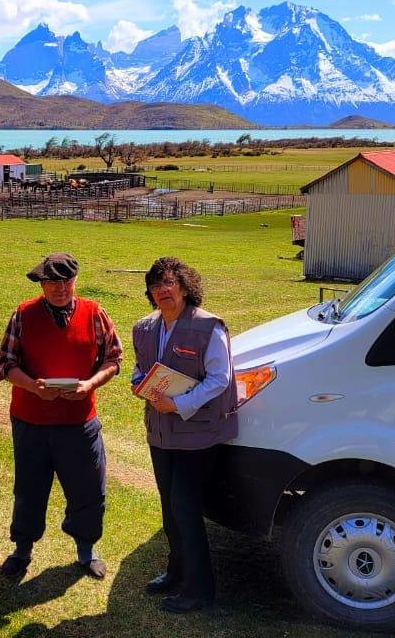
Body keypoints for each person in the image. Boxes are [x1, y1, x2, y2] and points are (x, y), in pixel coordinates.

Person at [0, 252, 123, 582]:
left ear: (75, 281)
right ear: (42, 284)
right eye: (52, 282)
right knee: (29, 488)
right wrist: (34, 388)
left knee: (88, 489)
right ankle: (22, 550)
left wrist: (90, 384)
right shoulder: (23, 314)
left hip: (79, 422)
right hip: (31, 421)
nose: (60, 288)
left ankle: (86, 551)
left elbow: (113, 359)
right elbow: (6, 364)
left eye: (66, 281)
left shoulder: (95, 313)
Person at [131, 256, 237, 614]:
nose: (162, 290)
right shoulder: (144, 328)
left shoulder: (209, 328)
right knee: (169, 506)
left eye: (169, 284)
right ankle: (176, 573)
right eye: (155, 285)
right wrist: (138, 383)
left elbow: (220, 379)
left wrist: (179, 405)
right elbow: (139, 367)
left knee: (185, 507)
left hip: (197, 434)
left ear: (185, 287)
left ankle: (199, 590)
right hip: (160, 433)